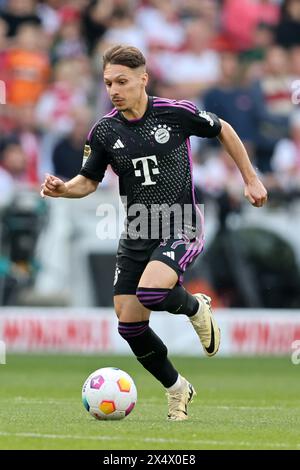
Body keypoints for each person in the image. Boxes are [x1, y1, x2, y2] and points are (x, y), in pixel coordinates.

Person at [40, 45, 268, 421]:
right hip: (137, 229)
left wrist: (251, 178)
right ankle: (177, 388)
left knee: (152, 291)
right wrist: (65, 189)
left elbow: (223, 129)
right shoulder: (104, 131)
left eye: (122, 81)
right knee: (129, 324)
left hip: (181, 220)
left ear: (143, 79)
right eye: (109, 82)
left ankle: (196, 307)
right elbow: (88, 181)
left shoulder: (175, 114)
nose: (114, 89)